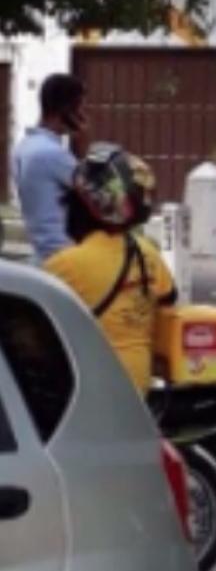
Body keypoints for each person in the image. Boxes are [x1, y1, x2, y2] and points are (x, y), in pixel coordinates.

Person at [44, 143, 176, 394]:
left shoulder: (64, 266)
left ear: (86, 207)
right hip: (138, 394)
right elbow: (168, 300)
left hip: (87, 397)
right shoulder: (147, 253)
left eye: (71, 202)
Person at [12, 74, 89, 261]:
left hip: (40, 252)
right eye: (79, 106)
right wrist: (83, 140)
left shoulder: (23, 147)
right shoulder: (53, 154)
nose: (83, 113)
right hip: (64, 254)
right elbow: (93, 191)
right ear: (66, 109)